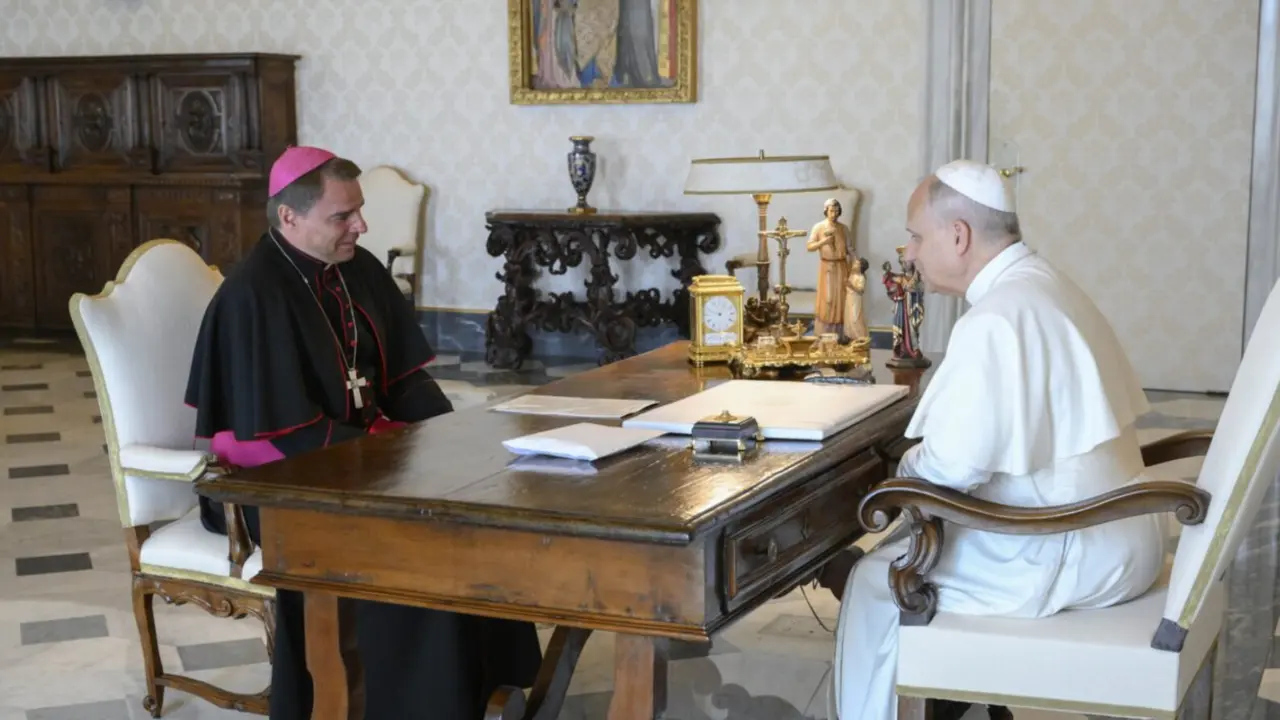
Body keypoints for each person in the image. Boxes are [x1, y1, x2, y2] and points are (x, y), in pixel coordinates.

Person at [184, 146, 543, 719]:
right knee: (415, 544)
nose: (362, 226)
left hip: (361, 460)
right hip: (274, 483)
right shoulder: (252, 295)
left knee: (476, 510)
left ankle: (492, 687)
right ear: (289, 218)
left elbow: (403, 379)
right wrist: (388, 458)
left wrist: (449, 438)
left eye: (359, 211)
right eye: (342, 216)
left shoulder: (358, 267)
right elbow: (272, 435)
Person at [829, 160, 1164, 720]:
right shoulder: (1044, 281)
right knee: (907, 550)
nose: (908, 252)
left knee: (875, 580)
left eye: (916, 236)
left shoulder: (996, 317)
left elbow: (949, 472)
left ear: (958, 236)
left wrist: (900, 471)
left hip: (1073, 548)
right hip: (1120, 531)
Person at [807, 198, 854, 339]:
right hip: (827, 266)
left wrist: (855, 263)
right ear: (826, 211)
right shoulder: (819, 227)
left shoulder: (843, 228)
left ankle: (841, 333)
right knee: (828, 298)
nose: (834, 214)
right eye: (831, 211)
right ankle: (825, 333)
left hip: (841, 266)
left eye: (837, 211)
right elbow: (809, 246)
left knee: (841, 298)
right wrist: (823, 242)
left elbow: (850, 248)